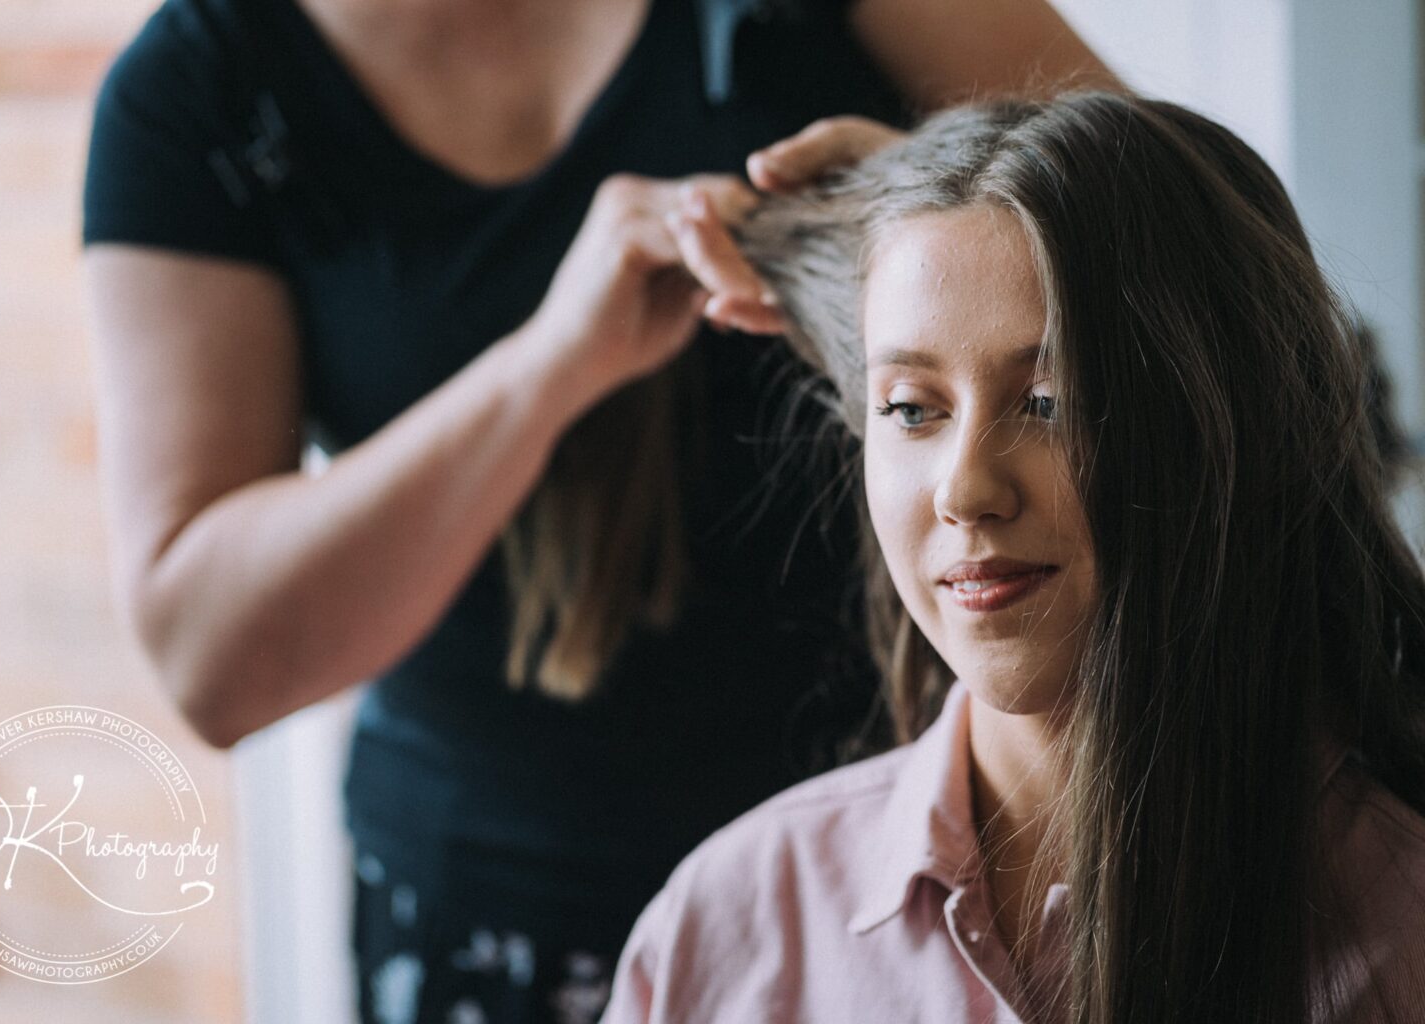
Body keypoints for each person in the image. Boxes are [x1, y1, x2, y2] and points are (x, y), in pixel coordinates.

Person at [81, 0, 1115, 1018]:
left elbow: (1179, 276)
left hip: (897, 888)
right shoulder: (200, 91)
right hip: (497, 919)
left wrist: (942, 228)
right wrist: (551, 364)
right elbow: (211, 659)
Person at [602, 92, 1425, 1023]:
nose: (965, 491)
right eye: (912, 408)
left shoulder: (1404, 929)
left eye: (1051, 400)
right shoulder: (734, 928)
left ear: (1233, 427)